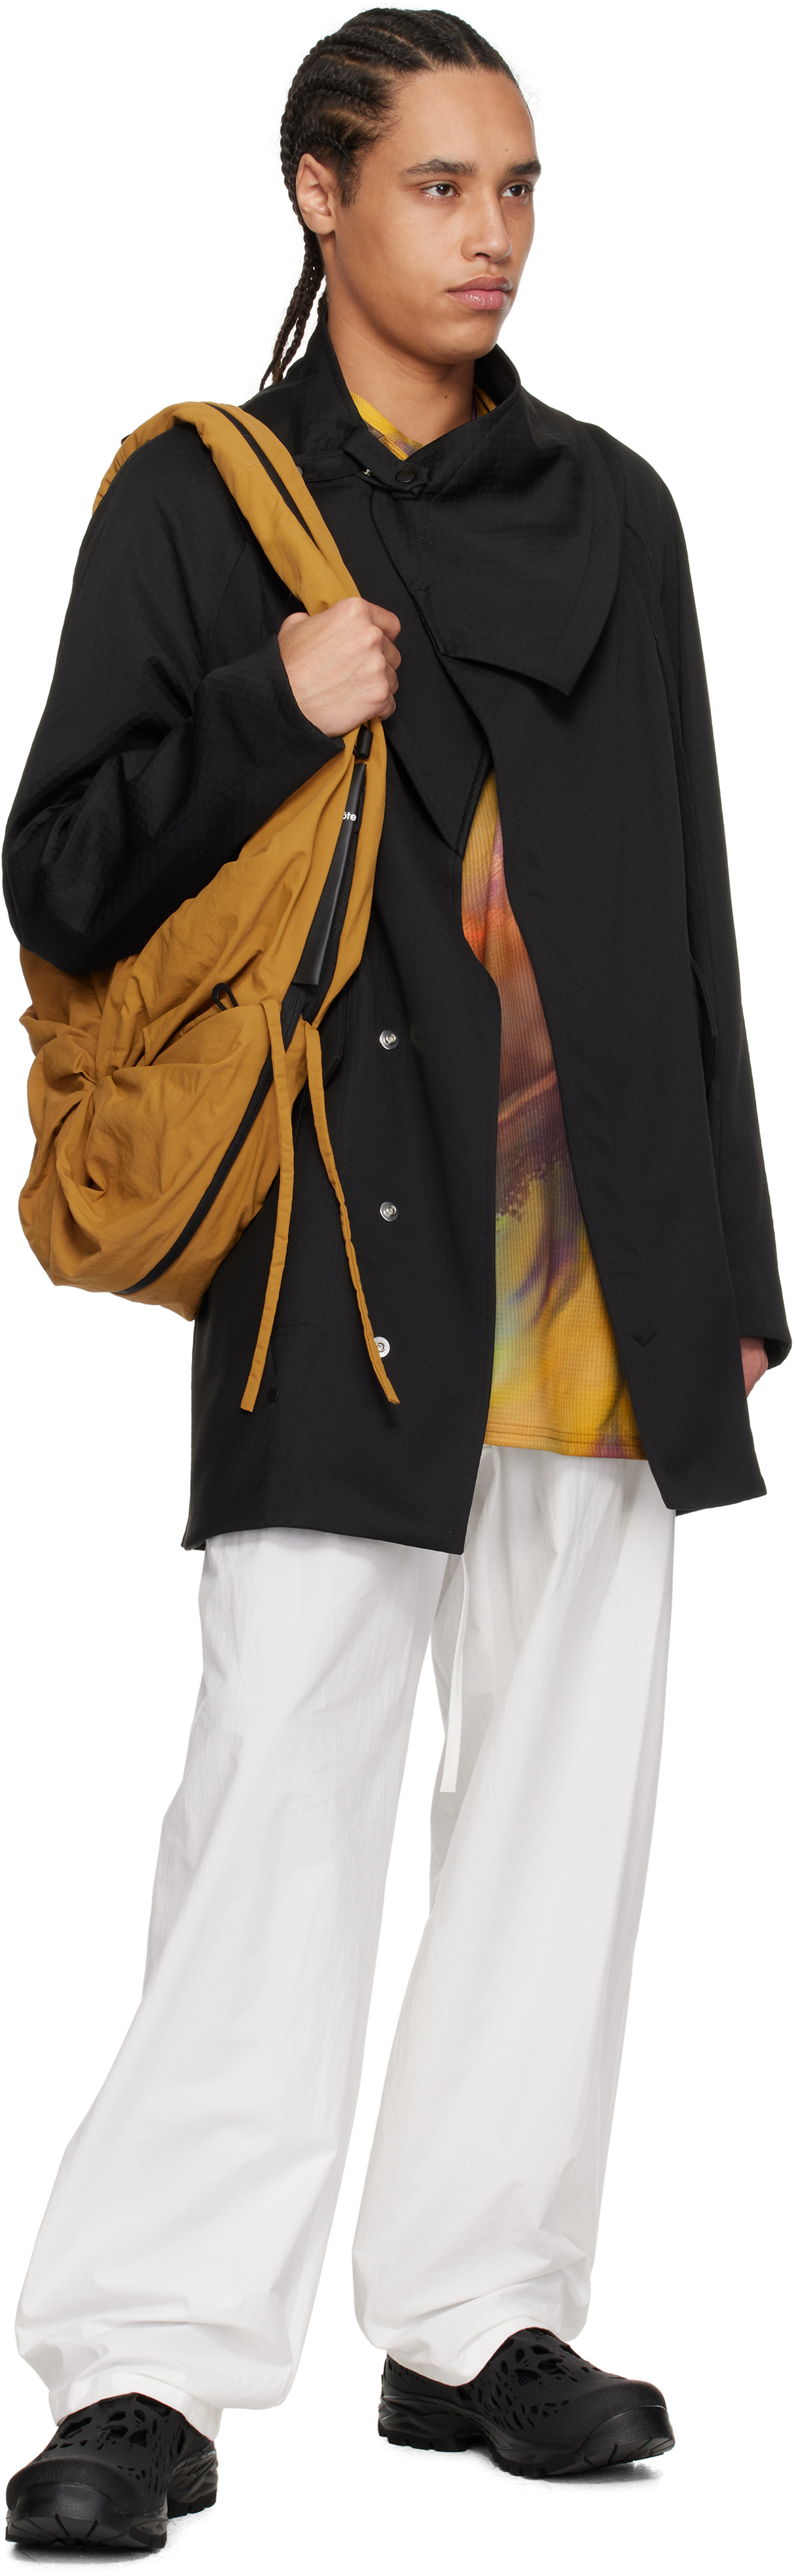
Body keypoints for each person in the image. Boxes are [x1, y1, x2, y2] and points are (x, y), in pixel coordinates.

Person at [3, 5, 788, 2550]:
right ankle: (148, 2359)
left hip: (598, 1245)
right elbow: (60, 872)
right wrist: (268, 700)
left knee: (563, 1804)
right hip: (337, 1240)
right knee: (283, 1791)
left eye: (521, 186)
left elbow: (683, 903)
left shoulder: (616, 509)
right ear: (317, 195)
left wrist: (734, 1248)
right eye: (442, 183)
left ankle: (478, 2317)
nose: (493, 233)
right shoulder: (201, 504)